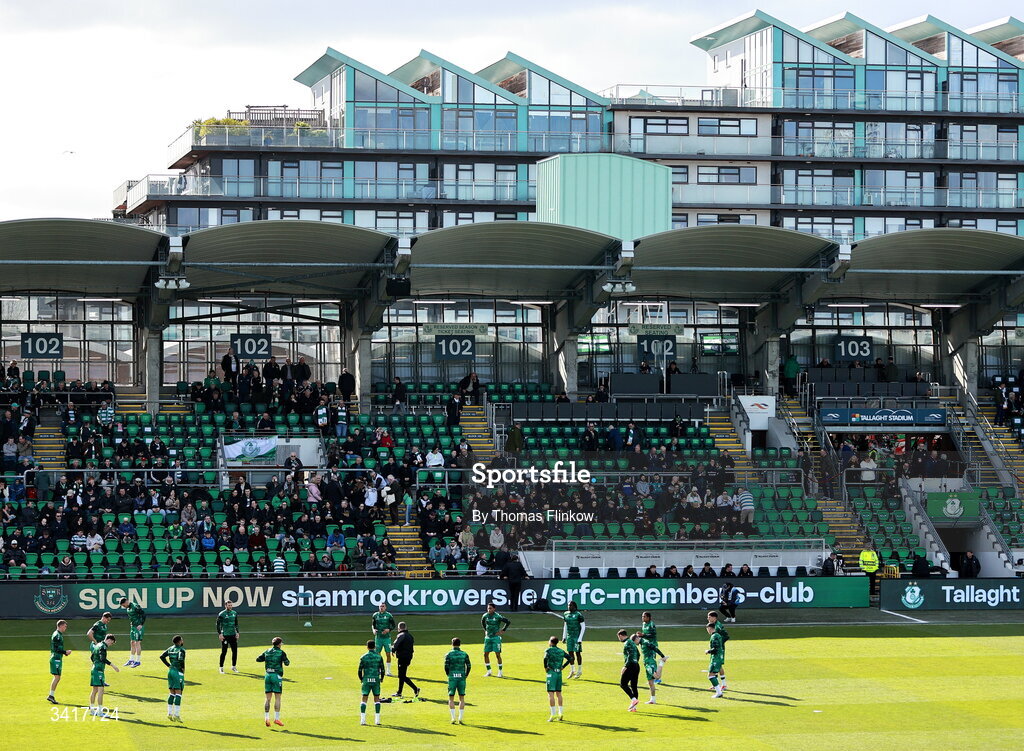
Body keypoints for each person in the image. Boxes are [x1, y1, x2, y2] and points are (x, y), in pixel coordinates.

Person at [256, 636, 289, 727]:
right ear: (279, 644)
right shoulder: (281, 653)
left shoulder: (267, 651)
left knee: (267, 698)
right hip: (276, 676)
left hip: (267, 675)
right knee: (278, 698)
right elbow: (287, 663)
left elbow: (258, 659)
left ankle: (266, 718)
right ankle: (276, 719)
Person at [89, 634, 119, 716]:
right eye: (111, 643)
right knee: (101, 690)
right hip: (98, 671)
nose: (111, 644)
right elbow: (102, 658)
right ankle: (99, 712)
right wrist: (113, 666)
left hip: (94, 669)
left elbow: (92, 657)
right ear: (109, 640)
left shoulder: (98, 645)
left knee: (94, 690)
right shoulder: (103, 647)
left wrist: (96, 663)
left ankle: (92, 710)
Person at [358, 639, 385, 726]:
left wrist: (361, 679)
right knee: (377, 698)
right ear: (375, 647)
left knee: (364, 698)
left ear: (367, 647)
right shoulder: (379, 657)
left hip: (366, 679)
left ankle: (363, 720)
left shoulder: (363, 657)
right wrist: (381, 678)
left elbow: (359, 670)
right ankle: (377, 720)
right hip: (376, 679)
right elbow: (383, 669)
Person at [159, 635, 186, 722]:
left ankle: (169, 713)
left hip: (170, 672)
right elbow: (181, 660)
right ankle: (177, 715)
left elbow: (162, 656)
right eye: (182, 640)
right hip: (178, 672)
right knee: (178, 693)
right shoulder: (181, 650)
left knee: (172, 693)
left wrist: (169, 665)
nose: (182, 641)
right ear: (179, 641)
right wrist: (183, 669)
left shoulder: (170, 649)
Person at [444, 637, 471, 724]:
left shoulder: (448, 654)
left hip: (452, 677)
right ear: (460, 644)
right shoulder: (464, 654)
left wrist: (449, 674)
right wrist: (466, 674)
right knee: (462, 698)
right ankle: (460, 718)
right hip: (461, 677)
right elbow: (469, 666)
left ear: (452, 644)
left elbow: (446, 666)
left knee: (451, 698)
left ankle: (453, 718)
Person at [543, 636, 570, 721]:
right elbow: (571, 658)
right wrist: (563, 666)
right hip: (559, 673)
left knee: (550, 693)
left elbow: (545, 658)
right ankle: (560, 713)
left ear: (551, 642)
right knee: (559, 693)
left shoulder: (548, 650)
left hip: (551, 673)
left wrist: (545, 667)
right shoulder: (561, 651)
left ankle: (553, 714)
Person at [481, 602, 510, 677]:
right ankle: (489, 671)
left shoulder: (497, 616)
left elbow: (508, 622)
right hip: (488, 637)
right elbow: (482, 622)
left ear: (494, 609)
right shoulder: (485, 616)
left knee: (497, 655)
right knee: (485, 654)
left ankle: (500, 672)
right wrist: (485, 630)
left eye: (490, 608)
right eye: (488, 608)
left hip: (496, 638)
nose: (489, 610)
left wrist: (503, 630)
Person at [391, 621, 419, 700]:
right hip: (408, 657)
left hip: (402, 657)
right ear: (405, 627)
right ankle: (399, 692)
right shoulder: (410, 636)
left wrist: (392, 650)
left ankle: (415, 689)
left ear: (399, 628)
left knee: (402, 676)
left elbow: (395, 645)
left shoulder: (400, 635)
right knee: (402, 675)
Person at [638, 630, 666, 704]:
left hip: (650, 662)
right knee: (650, 682)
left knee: (657, 677)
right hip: (646, 663)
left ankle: (662, 662)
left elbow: (654, 648)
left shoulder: (645, 642)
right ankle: (653, 699)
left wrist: (662, 656)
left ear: (636, 639)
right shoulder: (641, 642)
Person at [47, 619, 72, 704]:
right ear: (60, 626)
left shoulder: (58, 634)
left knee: (57, 677)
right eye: (65, 626)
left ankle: (51, 695)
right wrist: (65, 652)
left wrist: (64, 653)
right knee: (57, 677)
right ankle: (51, 695)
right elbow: (57, 649)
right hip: (56, 659)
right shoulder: (57, 635)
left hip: (57, 658)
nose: (66, 628)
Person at [560, 600, 586, 679]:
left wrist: (580, 638)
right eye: (568, 605)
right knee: (570, 654)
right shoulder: (566, 614)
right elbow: (565, 626)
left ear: (574, 606)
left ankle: (579, 670)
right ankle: (572, 670)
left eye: (570, 605)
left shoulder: (578, 615)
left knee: (578, 653)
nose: (569, 607)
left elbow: (583, 627)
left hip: (576, 637)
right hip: (569, 637)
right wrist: (564, 637)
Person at [706, 610, 730, 691]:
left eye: (709, 617)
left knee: (718, 665)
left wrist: (719, 644)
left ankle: (723, 685)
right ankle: (717, 684)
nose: (708, 618)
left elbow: (726, 636)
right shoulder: (714, 625)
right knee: (717, 665)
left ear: (714, 618)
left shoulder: (718, 626)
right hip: (717, 648)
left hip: (719, 649)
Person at [617, 629, 640, 712]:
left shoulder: (627, 643)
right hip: (636, 665)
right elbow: (638, 654)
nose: (619, 639)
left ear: (621, 636)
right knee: (634, 686)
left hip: (630, 666)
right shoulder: (632, 643)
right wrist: (635, 661)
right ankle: (634, 707)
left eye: (618, 637)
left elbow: (630, 655)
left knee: (623, 684)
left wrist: (625, 666)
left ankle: (633, 699)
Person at [119, 596, 146, 667]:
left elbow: (143, 614)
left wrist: (141, 624)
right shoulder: (128, 608)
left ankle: (138, 661)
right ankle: (131, 660)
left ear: (126, 601)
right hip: (133, 627)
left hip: (138, 627)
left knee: (137, 643)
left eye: (123, 605)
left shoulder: (135, 606)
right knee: (132, 642)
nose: (124, 606)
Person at [371, 602, 396, 677]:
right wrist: (373, 630)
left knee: (388, 654)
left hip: (387, 638)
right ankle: (378, 669)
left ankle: (388, 671)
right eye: (380, 606)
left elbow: (393, 625)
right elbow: (373, 624)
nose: (381, 607)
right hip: (378, 638)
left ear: (385, 607)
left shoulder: (389, 615)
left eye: (383, 606)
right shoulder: (375, 615)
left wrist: (389, 629)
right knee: (377, 654)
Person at [217, 600, 240, 673]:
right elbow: (218, 624)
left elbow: (236, 624)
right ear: (225, 606)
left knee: (235, 651)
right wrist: (220, 634)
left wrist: (237, 632)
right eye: (229, 605)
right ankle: (221, 667)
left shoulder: (234, 613)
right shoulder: (222, 614)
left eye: (231, 605)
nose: (230, 606)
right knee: (224, 652)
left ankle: (233, 667)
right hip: (225, 635)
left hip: (233, 635)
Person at [705, 623, 726, 698]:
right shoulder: (718, 635)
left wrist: (708, 651)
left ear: (709, 628)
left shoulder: (714, 636)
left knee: (710, 675)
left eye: (707, 629)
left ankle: (719, 692)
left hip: (716, 658)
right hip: (718, 657)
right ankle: (719, 690)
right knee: (712, 674)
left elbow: (715, 648)